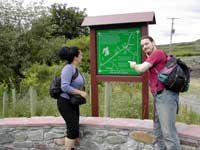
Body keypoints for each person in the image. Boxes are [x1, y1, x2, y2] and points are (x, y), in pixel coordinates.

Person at [129, 36, 181, 150]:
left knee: (168, 133)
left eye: (146, 44)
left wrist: (134, 65)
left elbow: (142, 68)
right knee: (158, 131)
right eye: (142, 46)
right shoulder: (154, 56)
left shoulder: (157, 53)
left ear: (153, 43)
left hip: (166, 96)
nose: (144, 47)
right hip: (159, 97)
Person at [57, 46, 87, 150]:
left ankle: (70, 146)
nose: (82, 56)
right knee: (73, 129)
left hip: (73, 103)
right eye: (81, 55)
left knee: (74, 129)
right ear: (75, 57)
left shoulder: (75, 69)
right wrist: (80, 92)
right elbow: (64, 87)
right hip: (65, 102)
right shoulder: (68, 68)